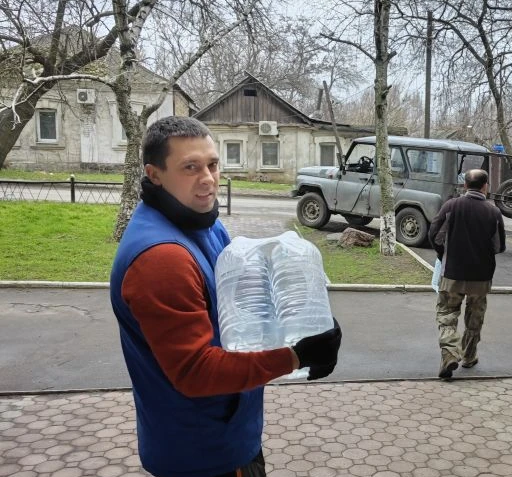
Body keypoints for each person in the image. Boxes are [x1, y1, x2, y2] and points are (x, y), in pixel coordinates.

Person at [110, 116, 342, 477]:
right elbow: (195, 372)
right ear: (154, 174)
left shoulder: (200, 220)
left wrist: (301, 311)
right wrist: (296, 356)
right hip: (202, 454)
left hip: (226, 431)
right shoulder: (162, 259)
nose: (208, 179)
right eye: (190, 167)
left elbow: (235, 299)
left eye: (213, 164)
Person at [428, 168, 506, 379]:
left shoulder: (451, 206)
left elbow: (434, 235)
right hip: (481, 277)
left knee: (447, 314)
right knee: (475, 317)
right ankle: (469, 356)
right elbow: (498, 246)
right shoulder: (494, 213)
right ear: (485, 186)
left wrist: (443, 254)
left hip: (452, 274)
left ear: (465, 185)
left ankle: (450, 354)